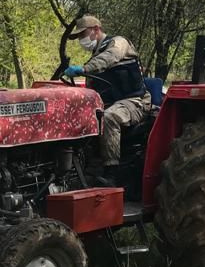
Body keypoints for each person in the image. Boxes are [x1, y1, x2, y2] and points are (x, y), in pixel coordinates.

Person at [63, 15, 150, 182]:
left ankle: (112, 173)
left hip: (134, 102)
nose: (82, 40)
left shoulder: (118, 43)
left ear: (96, 29)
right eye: (79, 37)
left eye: (83, 34)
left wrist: (84, 68)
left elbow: (110, 58)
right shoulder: (94, 57)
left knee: (109, 117)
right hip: (109, 103)